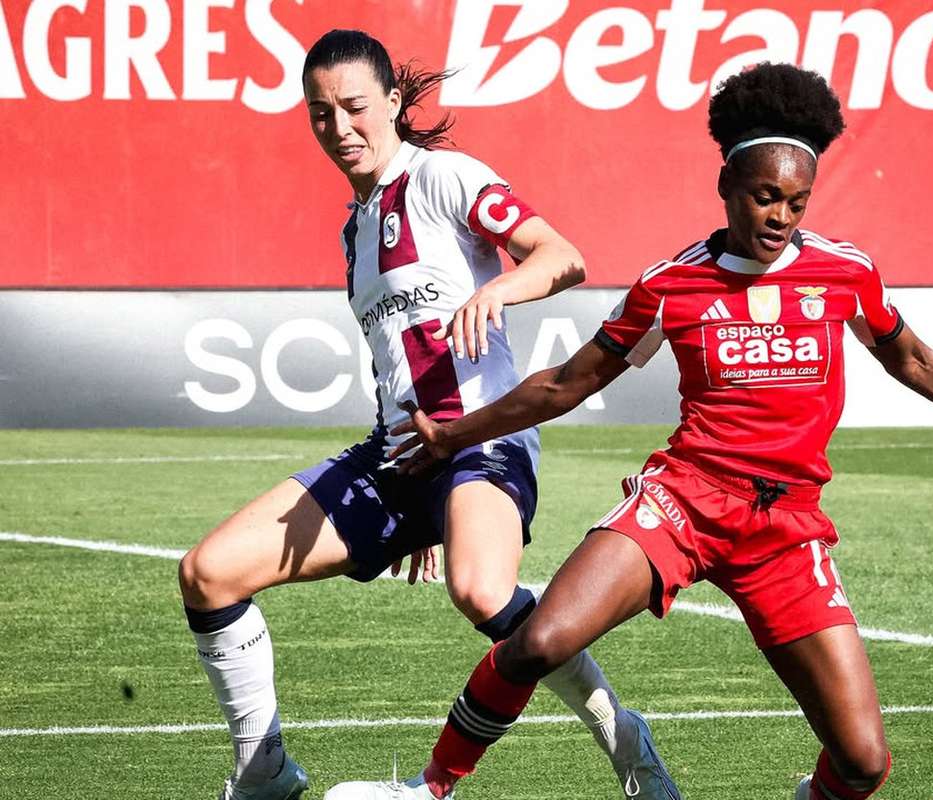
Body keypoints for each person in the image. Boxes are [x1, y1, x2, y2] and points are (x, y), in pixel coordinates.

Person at [329, 63, 933, 800]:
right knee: (539, 642)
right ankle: (429, 788)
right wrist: (454, 439)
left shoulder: (842, 272)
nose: (782, 218)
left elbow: (913, 359)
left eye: (798, 203)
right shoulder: (673, 285)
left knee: (863, 764)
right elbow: (568, 383)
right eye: (767, 197)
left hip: (785, 526)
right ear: (727, 184)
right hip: (684, 505)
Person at [177, 29, 679, 800]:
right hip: (404, 454)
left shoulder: (443, 177)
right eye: (320, 114)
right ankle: (264, 772)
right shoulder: (356, 229)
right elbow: (394, 367)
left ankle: (621, 730)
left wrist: (497, 290)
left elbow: (561, 255)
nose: (338, 129)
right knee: (208, 574)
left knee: (482, 591)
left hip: (484, 439)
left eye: (353, 108)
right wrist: (422, 507)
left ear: (395, 103)